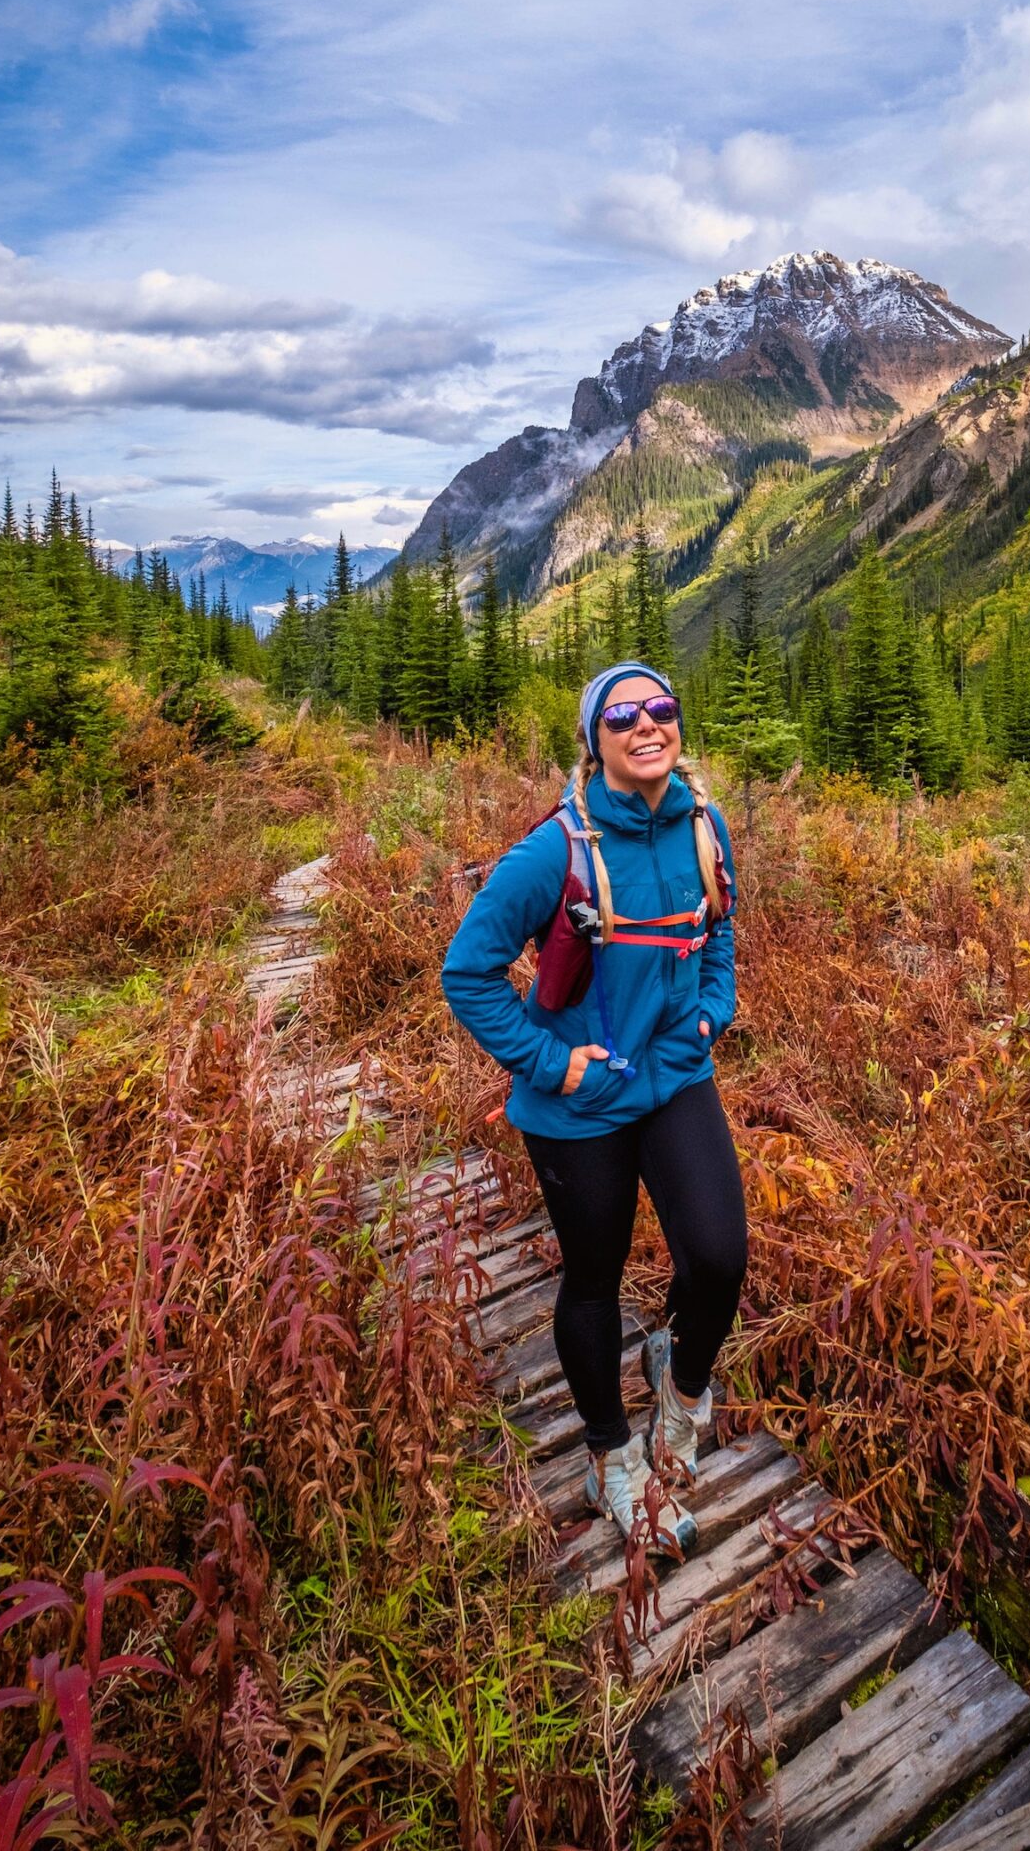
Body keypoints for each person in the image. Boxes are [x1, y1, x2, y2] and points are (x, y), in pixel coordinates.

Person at [441, 660, 748, 1551]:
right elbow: (468, 973)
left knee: (719, 1259)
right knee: (594, 1277)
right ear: (594, 740)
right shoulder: (553, 851)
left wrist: (709, 1015)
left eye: (661, 708)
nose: (646, 725)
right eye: (622, 715)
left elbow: (718, 930)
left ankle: (681, 1388)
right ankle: (610, 1455)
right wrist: (554, 1065)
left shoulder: (702, 824)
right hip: (578, 1105)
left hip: (674, 1075)